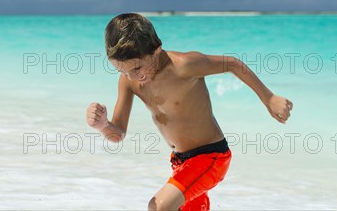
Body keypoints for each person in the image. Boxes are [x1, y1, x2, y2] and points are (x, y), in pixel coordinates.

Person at [86, 13, 294, 211]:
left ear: (156, 49)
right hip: (180, 162)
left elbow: (232, 64)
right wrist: (103, 125)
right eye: (123, 71)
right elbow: (118, 134)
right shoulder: (129, 82)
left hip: (211, 156)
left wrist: (269, 98)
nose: (132, 76)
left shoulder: (184, 66)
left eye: (137, 68)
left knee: (159, 206)